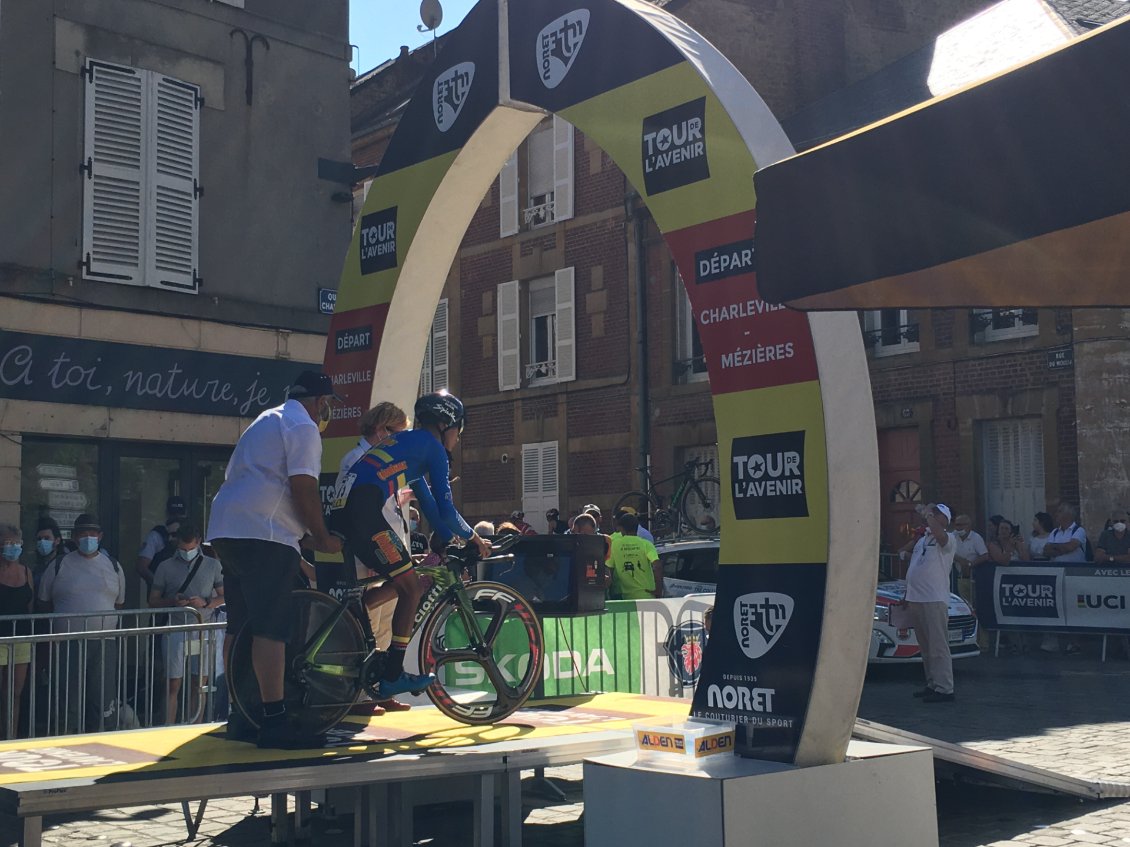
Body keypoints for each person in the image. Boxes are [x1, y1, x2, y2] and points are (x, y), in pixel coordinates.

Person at [206, 371, 344, 749]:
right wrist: (321, 537)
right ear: (319, 402)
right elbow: (304, 487)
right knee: (271, 628)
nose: (327, 413)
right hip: (264, 532)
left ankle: (241, 714)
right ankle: (274, 720)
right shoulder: (303, 426)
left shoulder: (266, 418)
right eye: (328, 405)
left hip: (226, 528)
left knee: (240, 623)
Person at [331, 391, 491, 701]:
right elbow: (446, 507)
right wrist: (472, 538)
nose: (457, 439)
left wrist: (447, 538)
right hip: (365, 512)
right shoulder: (433, 449)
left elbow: (429, 507)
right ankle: (392, 675)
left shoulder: (408, 444)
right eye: (459, 430)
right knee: (411, 588)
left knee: (399, 582)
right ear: (446, 424)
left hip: (344, 510)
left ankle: (358, 637)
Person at [333, 401, 411, 716]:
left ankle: (379, 687)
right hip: (368, 552)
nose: (401, 442)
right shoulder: (355, 459)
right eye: (398, 435)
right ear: (381, 430)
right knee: (366, 624)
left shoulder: (382, 459)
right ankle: (358, 695)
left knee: (386, 625)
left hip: (390, 550)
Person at [36, 513, 126, 734]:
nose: (88, 538)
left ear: (100, 536)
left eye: (92, 534)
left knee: (103, 698)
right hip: (68, 643)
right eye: (83, 534)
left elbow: (119, 603)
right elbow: (43, 603)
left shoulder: (113, 566)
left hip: (104, 643)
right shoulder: (59, 565)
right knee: (69, 699)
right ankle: (66, 739)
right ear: (74, 538)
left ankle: (104, 741)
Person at [148, 524, 224, 724]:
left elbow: (224, 597)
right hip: (176, 628)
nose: (186, 552)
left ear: (198, 542)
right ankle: (168, 726)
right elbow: (153, 600)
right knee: (173, 682)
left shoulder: (213, 565)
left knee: (199, 683)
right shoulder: (165, 566)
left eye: (190, 548)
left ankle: (195, 725)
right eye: (182, 548)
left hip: (203, 629)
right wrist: (173, 601)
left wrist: (206, 602)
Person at [901, 503, 956, 703]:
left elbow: (940, 536)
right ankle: (932, 683)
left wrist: (928, 513)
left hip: (934, 598)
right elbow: (914, 566)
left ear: (945, 519)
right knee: (925, 646)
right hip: (917, 598)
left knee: (938, 645)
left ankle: (945, 688)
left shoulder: (949, 539)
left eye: (937, 514)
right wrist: (907, 594)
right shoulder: (922, 540)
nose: (932, 516)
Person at [0, 525, 33, 738]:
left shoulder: (27, 572)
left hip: (21, 639)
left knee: (15, 693)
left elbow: (30, 607)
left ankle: (10, 736)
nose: (13, 547)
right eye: (8, 543)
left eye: (17, 543)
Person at [608, 513, 663, 600]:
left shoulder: (614, 545)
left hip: (624, 598)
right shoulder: (646, 544)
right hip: (646, 595)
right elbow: (657, 566)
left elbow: (609, 569)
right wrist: (659, 590)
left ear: (621, 528)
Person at [137, 496, 188, 588]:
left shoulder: (191, 535)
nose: (177, 517)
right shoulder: (156, 535)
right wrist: (160, 586)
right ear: (168, 514)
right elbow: (142, 567)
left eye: (179, 515)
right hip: (161, 597)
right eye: (174, 514)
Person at [951, 514, 988, 604]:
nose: (958, 528)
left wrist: (970, 564)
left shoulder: (976, 538)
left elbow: (985, 555)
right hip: (957, 574)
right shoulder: (952, 536)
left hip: (974, 574)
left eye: (961, 525)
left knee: (973, 601)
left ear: (968, 525)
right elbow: (945, 549)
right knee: (961, 601)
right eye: (956, 525)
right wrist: (960, 560)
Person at [31, 516, 66, 591]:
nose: (42, 542)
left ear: (57, 540)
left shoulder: (65, 564)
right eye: (39, 539)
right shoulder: (34, 566)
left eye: (47, 538)